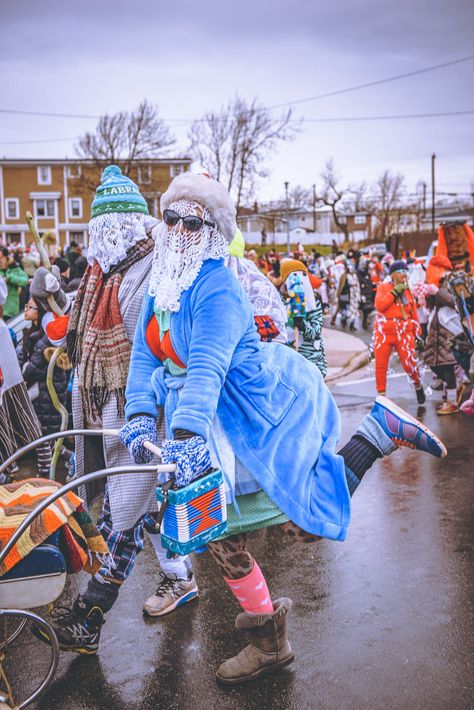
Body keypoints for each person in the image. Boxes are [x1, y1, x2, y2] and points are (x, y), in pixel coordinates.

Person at [116, 174, 444, 683]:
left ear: (211, 231)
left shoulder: (217, 285)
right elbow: (143, 357)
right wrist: (138, 418)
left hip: (253, 416)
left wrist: (184, 438)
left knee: (297, 517)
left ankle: (375, 433)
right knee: (221, 536)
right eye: (170, 218)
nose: (177, 229)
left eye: (191, 220)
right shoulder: (164, 284)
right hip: (205, 425)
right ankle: (269, 643)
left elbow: (205, 369)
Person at [31, 165, 199, 631]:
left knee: (124, 512)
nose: (97, 242)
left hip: (145, 412)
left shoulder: (151, 268)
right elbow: (74, 328)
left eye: (104, 230)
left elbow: (153, 346)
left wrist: (154, 413)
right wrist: (52, 303)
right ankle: (180, 577)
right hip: (109, 410)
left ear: (121, 225)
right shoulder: (103, 271)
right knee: (144, 510)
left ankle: (90, 618)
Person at [0, 277, 52, 480]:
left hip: (19, 388)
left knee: (35, 433)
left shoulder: (3, 330)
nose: (25, 310)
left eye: (30, 307)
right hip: (14, 387)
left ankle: (46, 473)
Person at [373, 260, 426, 403]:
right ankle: (382, 397)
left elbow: (413, 312)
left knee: (410, 364)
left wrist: (418, 333)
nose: (404, 275)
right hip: (384, 332)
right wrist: (394, 293)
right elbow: (380, 305)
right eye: (401, 272)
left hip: (404, 331)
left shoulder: (408, 291)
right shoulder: (384, 288)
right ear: (393, 274)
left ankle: (417, 384)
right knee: (381, 364)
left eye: (406, 272)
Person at [281, 258, 327, 376]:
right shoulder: (280, 301)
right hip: (290, 359)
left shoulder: (314, 301)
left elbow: (316, 330)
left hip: (311, 359)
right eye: (294, 275)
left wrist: (302, 324)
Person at [0, 247, 29, 320]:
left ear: (7, 257)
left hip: (11, 310)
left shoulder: (15, 269)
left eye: (1, 257)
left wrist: (10, 278)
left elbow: (25, 281)